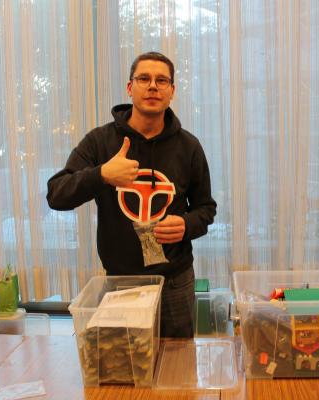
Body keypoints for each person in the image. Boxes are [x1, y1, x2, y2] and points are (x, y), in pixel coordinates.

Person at [47, 52, 216, 337]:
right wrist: (101, 174)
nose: (153, 87)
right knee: (124, 362)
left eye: (162, 81)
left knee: (178, 361)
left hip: (175, 282)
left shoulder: (189, 146)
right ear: (129, 87)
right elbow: (56, 194)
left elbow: (206, 209)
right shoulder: (100, 141)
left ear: (172, 91)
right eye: (144, 79)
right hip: (120, 283)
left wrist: (187, 225)